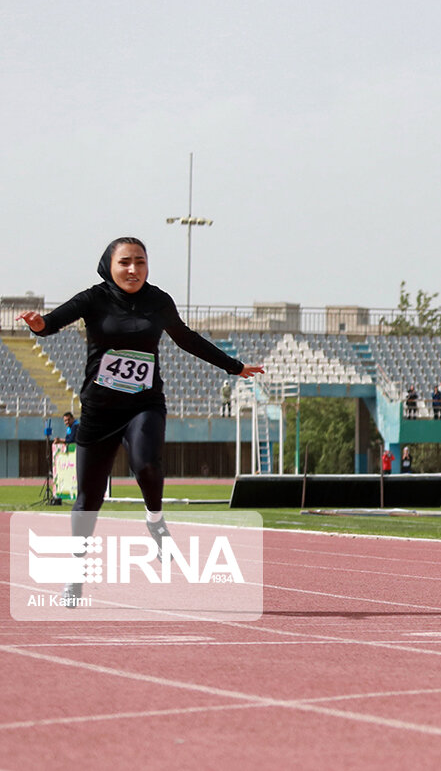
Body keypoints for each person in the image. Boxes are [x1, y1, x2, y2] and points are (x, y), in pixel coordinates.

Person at [17, 237, 263, 606]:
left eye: (140, 262)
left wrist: (234, 366)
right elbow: (52, 323)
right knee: (89, 499)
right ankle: (75, 578)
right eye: (125, 263)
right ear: (109, 266)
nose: (133, 270)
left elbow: (186, 339)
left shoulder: (158, 301)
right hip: (99, 410)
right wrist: (38, 325)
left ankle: (155, 520)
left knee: (146, 464)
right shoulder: (93, 298)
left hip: (144, 403)